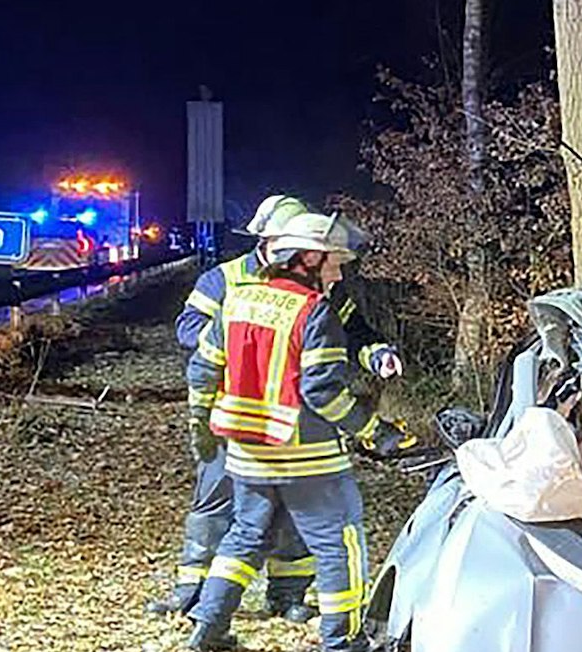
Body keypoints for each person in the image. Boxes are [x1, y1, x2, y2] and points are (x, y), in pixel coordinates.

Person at [147, 195, 403, 620]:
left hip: (289, 424)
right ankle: (190, 590)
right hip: (233, 420)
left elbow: (354, 333)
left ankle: (285, 595)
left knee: (288, 512)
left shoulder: (320, 287)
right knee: (215, 503)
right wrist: (248, 339)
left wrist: (377, 355)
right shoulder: (225, 280)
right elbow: (189, 329)